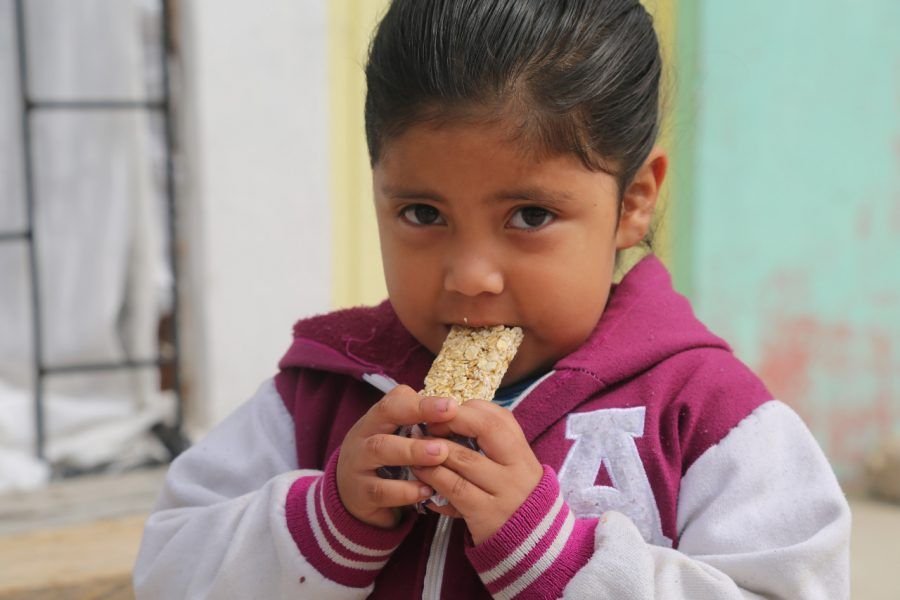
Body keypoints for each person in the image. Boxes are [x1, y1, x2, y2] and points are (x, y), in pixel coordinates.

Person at [133, 0, 850, 597]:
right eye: (421, 213)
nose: (470, 275)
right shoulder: (319, 396)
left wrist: (558, 562)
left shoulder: (709, 416)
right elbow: (166, 570)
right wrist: (322, 522)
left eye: (531, 216)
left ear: (633, 203)